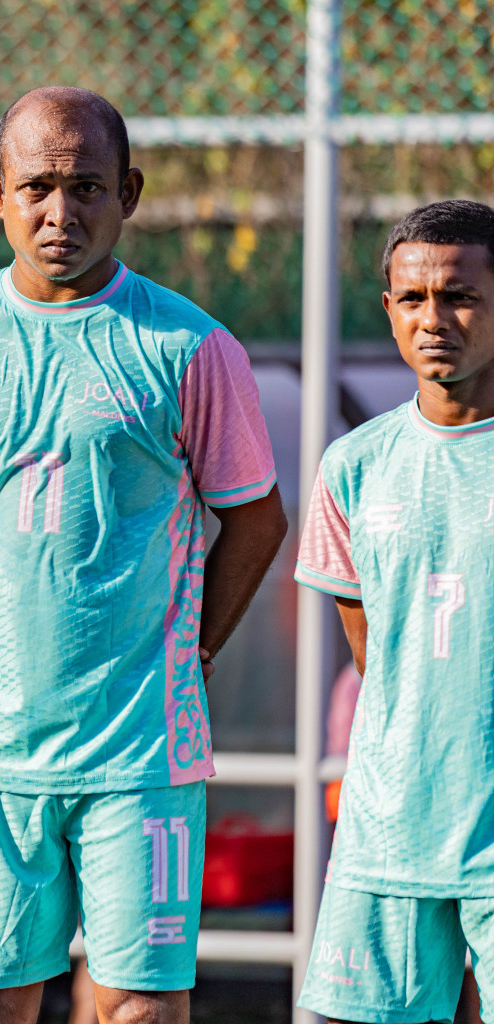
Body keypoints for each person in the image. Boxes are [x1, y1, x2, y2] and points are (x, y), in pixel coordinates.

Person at [0, 86, 288, 1024]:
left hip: (140, 748)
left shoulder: (190, 345)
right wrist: (20, 604)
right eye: (35, 188)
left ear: (128, 194)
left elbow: (257, 522)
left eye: (86, 188)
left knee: (137, 1009)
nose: (59, 212)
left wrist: (192, 648)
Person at [295, 199, 494, 1024]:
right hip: (390, 833)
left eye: (461, 296)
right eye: (413, 298)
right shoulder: (353, 465)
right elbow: (372, 652)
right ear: (388, 308)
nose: (433, 319)